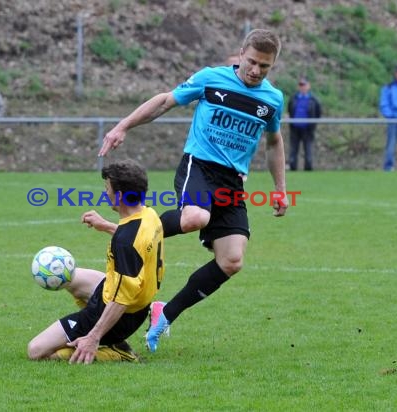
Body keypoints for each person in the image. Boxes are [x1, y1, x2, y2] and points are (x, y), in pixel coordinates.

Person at [99, 29, 288, 352]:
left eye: (265, 66)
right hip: (199, 166)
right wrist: (123, 126)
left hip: (232, 180)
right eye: (253, 62)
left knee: (232, 260)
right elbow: (164, 102)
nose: (256, 71)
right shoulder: (211, 79)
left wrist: (280, 188)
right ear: (241, 53)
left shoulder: (272, 100)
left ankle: (165, 314)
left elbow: (273, 142)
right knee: (195, 217)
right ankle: (133, 230)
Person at [27, 160, 165, 364]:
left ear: (119, 196)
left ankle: (117, 351)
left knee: (36, 350)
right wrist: (106, 225)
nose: (105, 193)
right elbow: (137, 242)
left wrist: (94, 337)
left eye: (107, 188)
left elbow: (121, 300)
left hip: (121, 314)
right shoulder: (148, 215)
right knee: (70, 276)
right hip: (135, 300)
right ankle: (102, 336)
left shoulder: (125, 242)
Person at [287, 76, 322, 171]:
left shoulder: (314, 100)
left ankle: (308, 168)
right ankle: (293, 167)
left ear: (308, 86)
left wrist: (313, 125)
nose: (302, 87)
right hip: (295, 128)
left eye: (304, 85)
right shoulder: (294, 98)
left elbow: (318, 113)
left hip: (308, 129)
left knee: (308, 149)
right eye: (300, 85)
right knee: (293, 149)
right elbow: (290, 110)